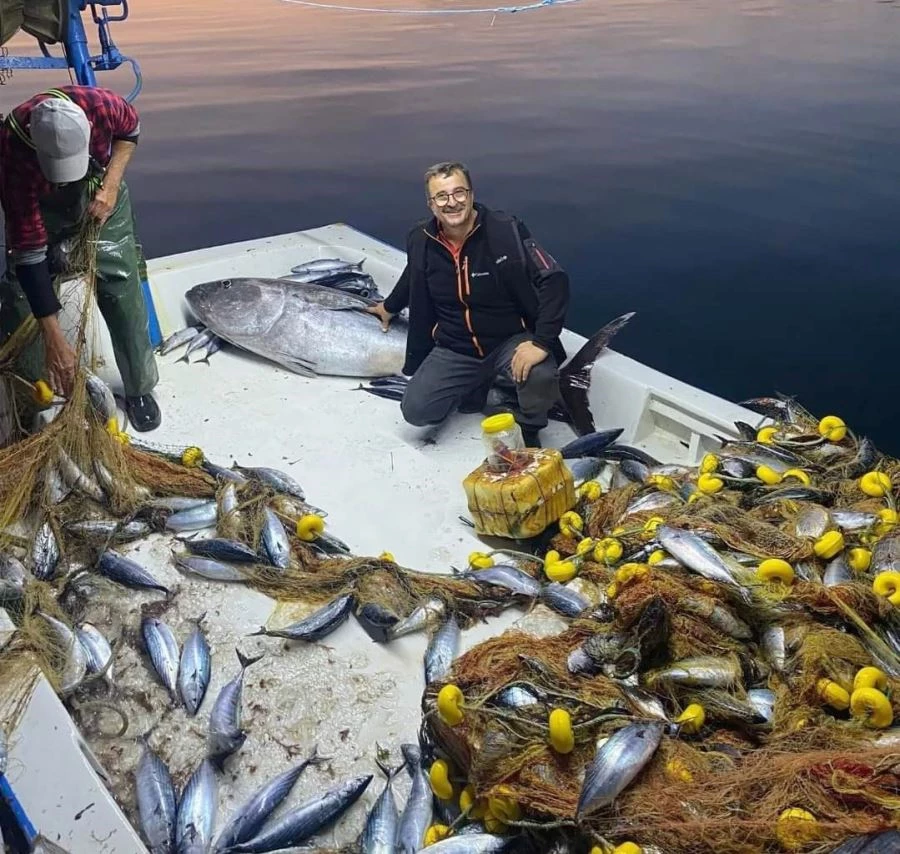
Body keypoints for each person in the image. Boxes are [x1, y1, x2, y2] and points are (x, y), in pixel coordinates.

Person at [367, 161, 569, 447]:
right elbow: (413, 275)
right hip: (455, 347)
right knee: (416, 411)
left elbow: (555, 280)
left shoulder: (506, 231)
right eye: (441, 196)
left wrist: (541, 342)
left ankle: (529, 426)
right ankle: (479, 384)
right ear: (431, 204)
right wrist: (388, 308)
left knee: (540, 374)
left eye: (459, 192)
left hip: (509, 340)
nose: (452, 202)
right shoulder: (421, 239)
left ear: (472, 194)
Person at [0, 85, 161, 431]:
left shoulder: (100, 106)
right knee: (19, 301)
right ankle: (32, 398)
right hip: (42, 210)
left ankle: (139, 388)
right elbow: (29, 253)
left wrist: (112, 184)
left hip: (101, 195)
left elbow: (130, 132)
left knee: (121, 286)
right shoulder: (12, 154)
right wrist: (55, 339)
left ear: (88, 129)